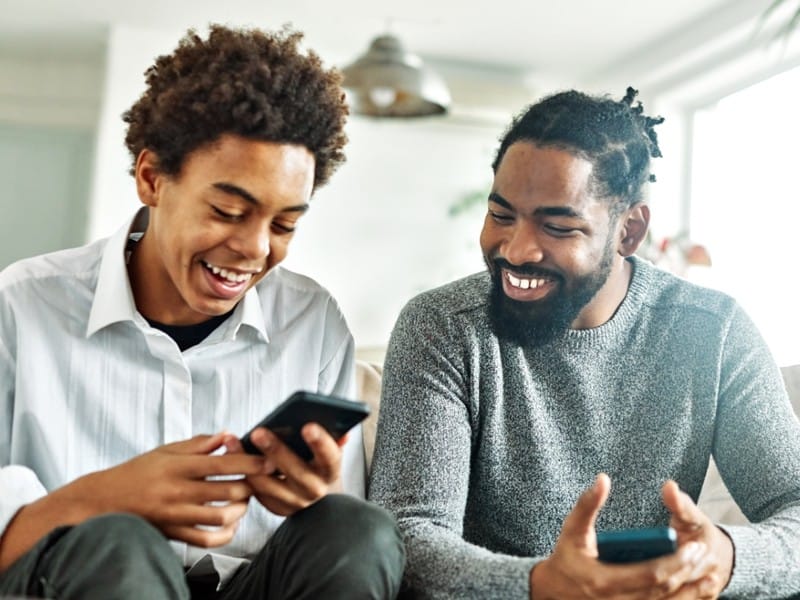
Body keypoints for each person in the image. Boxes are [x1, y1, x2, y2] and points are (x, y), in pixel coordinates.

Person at [0, 24, 404, 600]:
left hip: (248, 585)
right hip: (88, 579)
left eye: (285, 224)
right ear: (151, 179)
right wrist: (109, 494)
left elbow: (339, 546)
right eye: (228, 209)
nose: (256, 249)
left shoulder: (311, 322)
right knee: (117, 542)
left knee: (354, 527)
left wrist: (310, 500)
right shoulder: (21, 306)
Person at [368, 87, 800, 599]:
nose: (517, 249)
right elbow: (407, 536)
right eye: (501, 215)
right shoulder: (443, 325)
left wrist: (725, 559)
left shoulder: (713, 329)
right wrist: (541, 584)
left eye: (557, 226)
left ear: (629, 231)